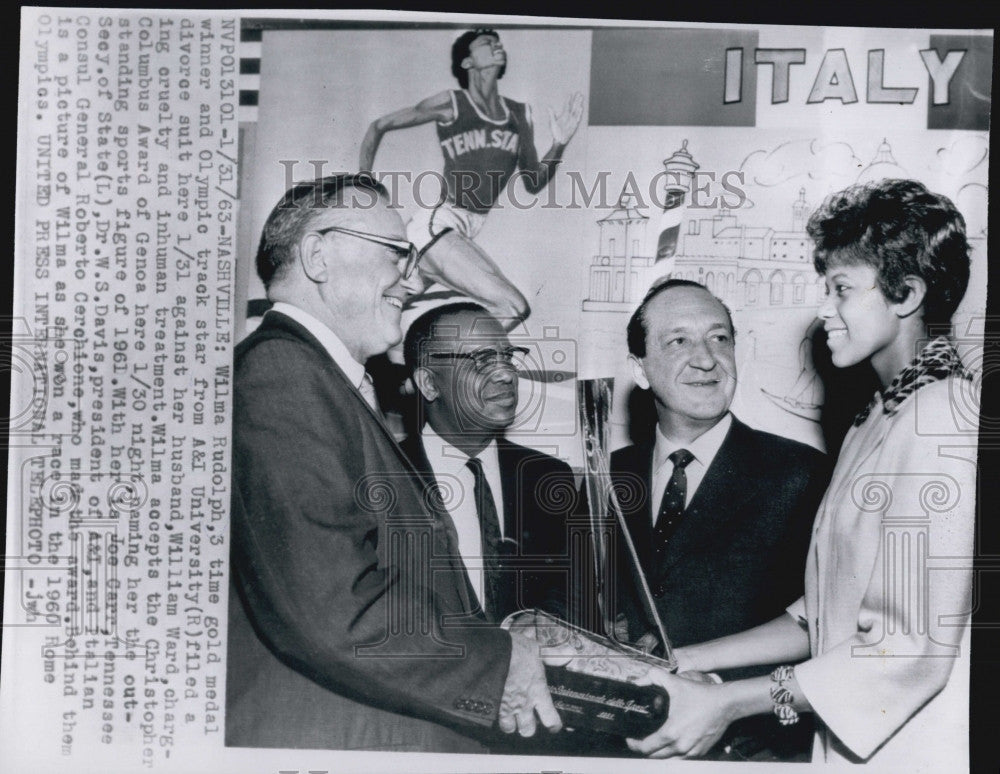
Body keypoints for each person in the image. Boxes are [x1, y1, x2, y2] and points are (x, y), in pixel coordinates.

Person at [624, 180, 978, 769]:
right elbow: (821, 613)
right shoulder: (877, 418)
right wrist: (678, 660)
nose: (822, 310)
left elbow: (903, 650)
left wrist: (732, 702)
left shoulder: (944, 418)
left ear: (906, 293)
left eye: (841, 288)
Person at [225, 174, 562, 753]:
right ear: (317, 255)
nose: (410, 277)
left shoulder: (318, 379)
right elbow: (335, 611)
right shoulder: (283, 375)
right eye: (395, 253)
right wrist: (500, 662)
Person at [601, 277, 828, 759]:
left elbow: (825, 630)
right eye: (678, 340)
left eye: (719, 337)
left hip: (752, 748)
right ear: (639, 369)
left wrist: (723, 690)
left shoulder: (803, 475)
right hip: (619, 746)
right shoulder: (605, 476)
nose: (706, 358)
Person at [359, 28, 584, 327]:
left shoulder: (518, 114)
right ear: (467, 63)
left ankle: (415, 369)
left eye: (498, 42)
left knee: (379, 315)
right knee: (512, 307)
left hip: (462, 231)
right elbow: (378, 126)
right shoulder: (452, 103)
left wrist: (559, 143)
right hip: (436, 225)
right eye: (487, 43)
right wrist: (364, 187)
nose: (497, 46)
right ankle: (457, 372)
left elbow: (533, 182)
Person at [400, 302, 579, 624]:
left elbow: (575, 589)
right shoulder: (384, 473)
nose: (505, 374)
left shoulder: (548, 477)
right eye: (481, 359)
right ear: (428, 383)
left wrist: (543, 620)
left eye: (507, 357)